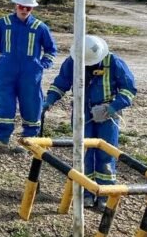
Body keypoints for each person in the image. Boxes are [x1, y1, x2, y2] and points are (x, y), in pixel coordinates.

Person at [43, 35, 137, 209]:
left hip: (108, 115)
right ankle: (86, 192)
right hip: (82, 112)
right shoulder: (73, 61)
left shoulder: (114, 62)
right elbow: (61, 83)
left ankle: (105, 194)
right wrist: (49, 100)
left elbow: (129, 89)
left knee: (106, 154)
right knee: (83, 152)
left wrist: (112, 107)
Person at [0, 0, 57, 152]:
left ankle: (30, 141)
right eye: (21, 6)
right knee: (4, 103)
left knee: (31, 104)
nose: (24, 10)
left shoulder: (41, 27)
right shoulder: (3, 23)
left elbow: (51, 50)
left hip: (30, 74)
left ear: (32, 9)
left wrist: (43, 64)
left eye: (29, 7)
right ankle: (2, 139)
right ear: (15, 5)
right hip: (5, 73)